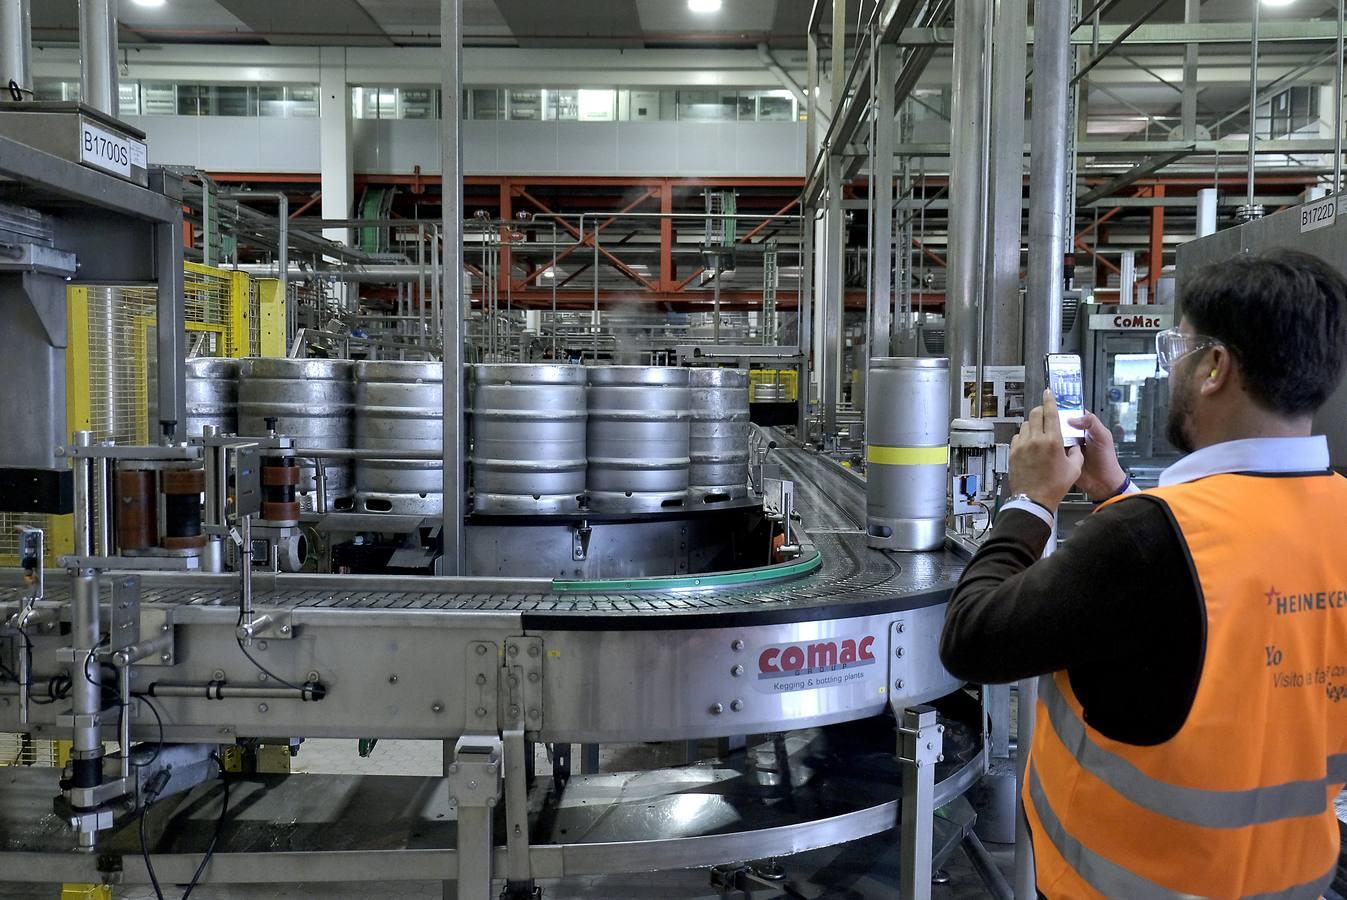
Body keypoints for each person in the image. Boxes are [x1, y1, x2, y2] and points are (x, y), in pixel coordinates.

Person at [939, 248, 1347, 897]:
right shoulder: (1336, 514)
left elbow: (972, 638)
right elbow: (1205, 605)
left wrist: (1030, 500)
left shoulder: (1144, 539)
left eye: (1175, 347)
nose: (1171, 367)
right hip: (1294, 881)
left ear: (1214, 367)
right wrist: (1118, 491)